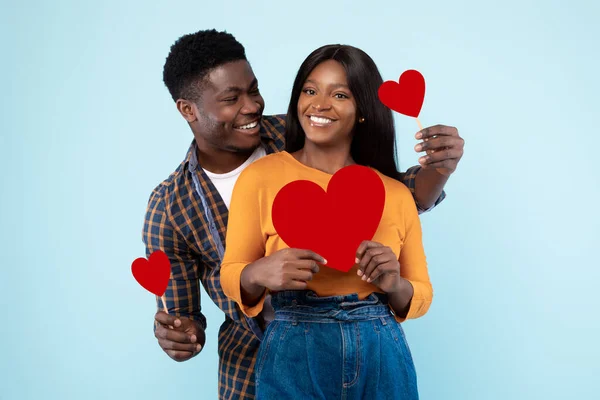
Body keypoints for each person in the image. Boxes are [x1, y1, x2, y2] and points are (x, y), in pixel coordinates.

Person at [143, 29, 464, 400]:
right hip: (254, 363)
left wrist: (440, 169)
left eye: (253, 90)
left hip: (374, 346)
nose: (252, 107)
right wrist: (180, 335)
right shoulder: (169, 206)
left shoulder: (302, 129)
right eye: (232, 98)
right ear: (188, 110)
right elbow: (183, 316)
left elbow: (396, 198)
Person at [220, 44, 435, 399]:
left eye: (339, 94)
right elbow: (231, 271)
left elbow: (422, 292)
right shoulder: (260, 178)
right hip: (294, 346)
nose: (318, 104)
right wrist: (259, 273)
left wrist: (395, 283)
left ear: (363, 110)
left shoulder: (394, 193)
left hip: (381, 350)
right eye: (309, 90)